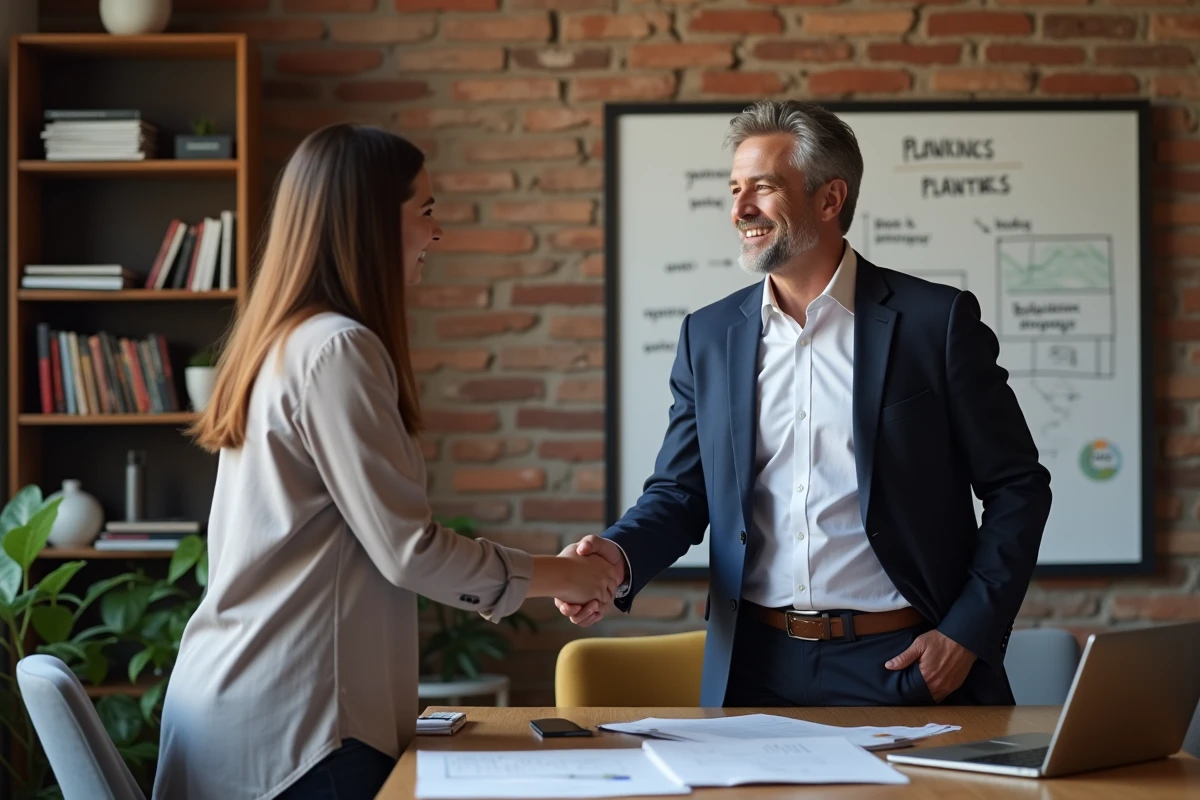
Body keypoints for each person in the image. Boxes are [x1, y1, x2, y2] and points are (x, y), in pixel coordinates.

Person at [153, 124, 622, 800]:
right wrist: (566, 575)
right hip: (304, 733)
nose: (437, 233)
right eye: (425, 212)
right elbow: (409, 551)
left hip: (246, 710)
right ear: (370, 222)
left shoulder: (281, 341)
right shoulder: (336, 350)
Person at [556, 100, 1052, 708]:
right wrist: (615, 555)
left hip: (903, 664)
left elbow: (1018, 486)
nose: (740, 209)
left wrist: (967, 632)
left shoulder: (935, 323)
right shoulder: (707, 337)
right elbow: (681, 493)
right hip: (753, 667)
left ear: (829, 199)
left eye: (763, 188)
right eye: (735, 189)